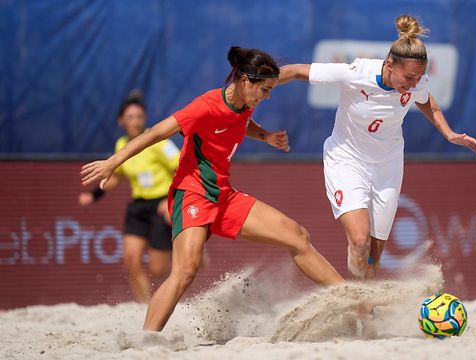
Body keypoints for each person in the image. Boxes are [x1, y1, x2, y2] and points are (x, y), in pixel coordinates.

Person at [81, 46, 345, 331]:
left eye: (270, 90)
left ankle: (353, 299)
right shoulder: (205, 106)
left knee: (298, 236)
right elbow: (155, 133)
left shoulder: (245, 102)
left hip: (223, 195)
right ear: (245, 80)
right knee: (185, 270)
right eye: (265, 90)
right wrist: (114, 161)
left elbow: (239, 120)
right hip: (192, 193)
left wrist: (265, 135)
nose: (267, 96)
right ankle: (148, 342)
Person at [278, 15, 476, 280]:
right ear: (389, 64)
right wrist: (260, 85)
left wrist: (449, 134)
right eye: (409, 77)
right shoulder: (355, 74)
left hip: (387, 166)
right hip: (348, 159)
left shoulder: (415, 83)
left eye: (418, 78)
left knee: (374, 258)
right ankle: (352, 295)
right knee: (360, 240)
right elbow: (295, 70)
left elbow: (427, 101)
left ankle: (364, 313)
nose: (412, 84)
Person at [79, 92, 179, 303]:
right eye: (131, 117)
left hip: (162, 204)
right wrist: (93, 196)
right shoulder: (121, 145)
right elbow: (115, 178)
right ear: (121, 121)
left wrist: (169, 199)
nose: (136, 121)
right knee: (131, 261)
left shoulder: (157, 140)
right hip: (138, 207)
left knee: (158, 269)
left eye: (139, 117)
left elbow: (181, 167)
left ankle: (191, 257)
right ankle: (147, 307)